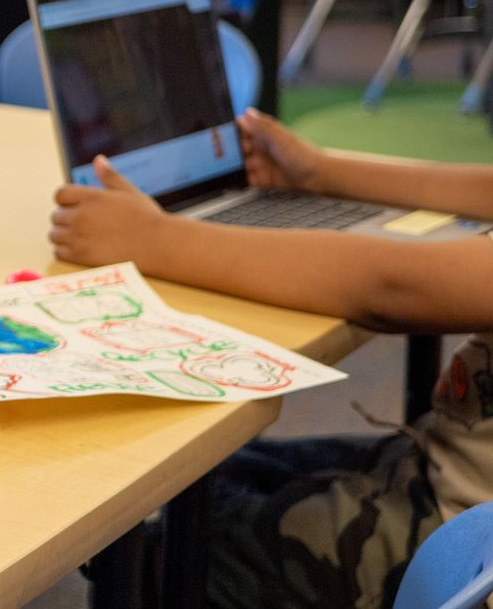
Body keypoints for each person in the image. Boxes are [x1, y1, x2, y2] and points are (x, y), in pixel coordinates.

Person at [51, 107, 493, 607]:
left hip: (463, 540)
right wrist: (322, 174)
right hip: (450, 471)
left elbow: (389, 287)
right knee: (204, 479)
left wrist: (152, 240)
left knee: (173, 547)